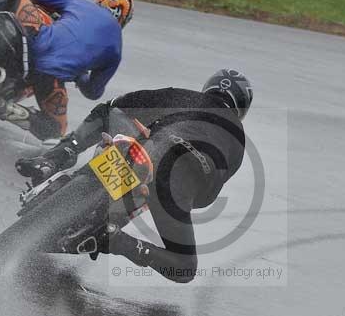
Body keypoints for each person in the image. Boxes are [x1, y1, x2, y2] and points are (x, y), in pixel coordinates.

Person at [15, 69, 253, 282]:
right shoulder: (238, 138)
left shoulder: (185, 96)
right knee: (185, 268)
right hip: (176, 183)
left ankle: (56, 157)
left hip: (144, 153)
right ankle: (116, 241)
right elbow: (206, 196)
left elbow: (119, 105)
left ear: (208, 88)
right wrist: (181, 198)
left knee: (109, 114)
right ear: (241, 109)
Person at [0, 0, 133, 140]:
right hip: (48, 76)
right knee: (55, 131)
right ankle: (2, 107)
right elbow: (93, 92)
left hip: (33, 40)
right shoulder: (116, 51)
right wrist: (79, 73)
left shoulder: (80, 3)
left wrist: (53, 9)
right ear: (123, 20)